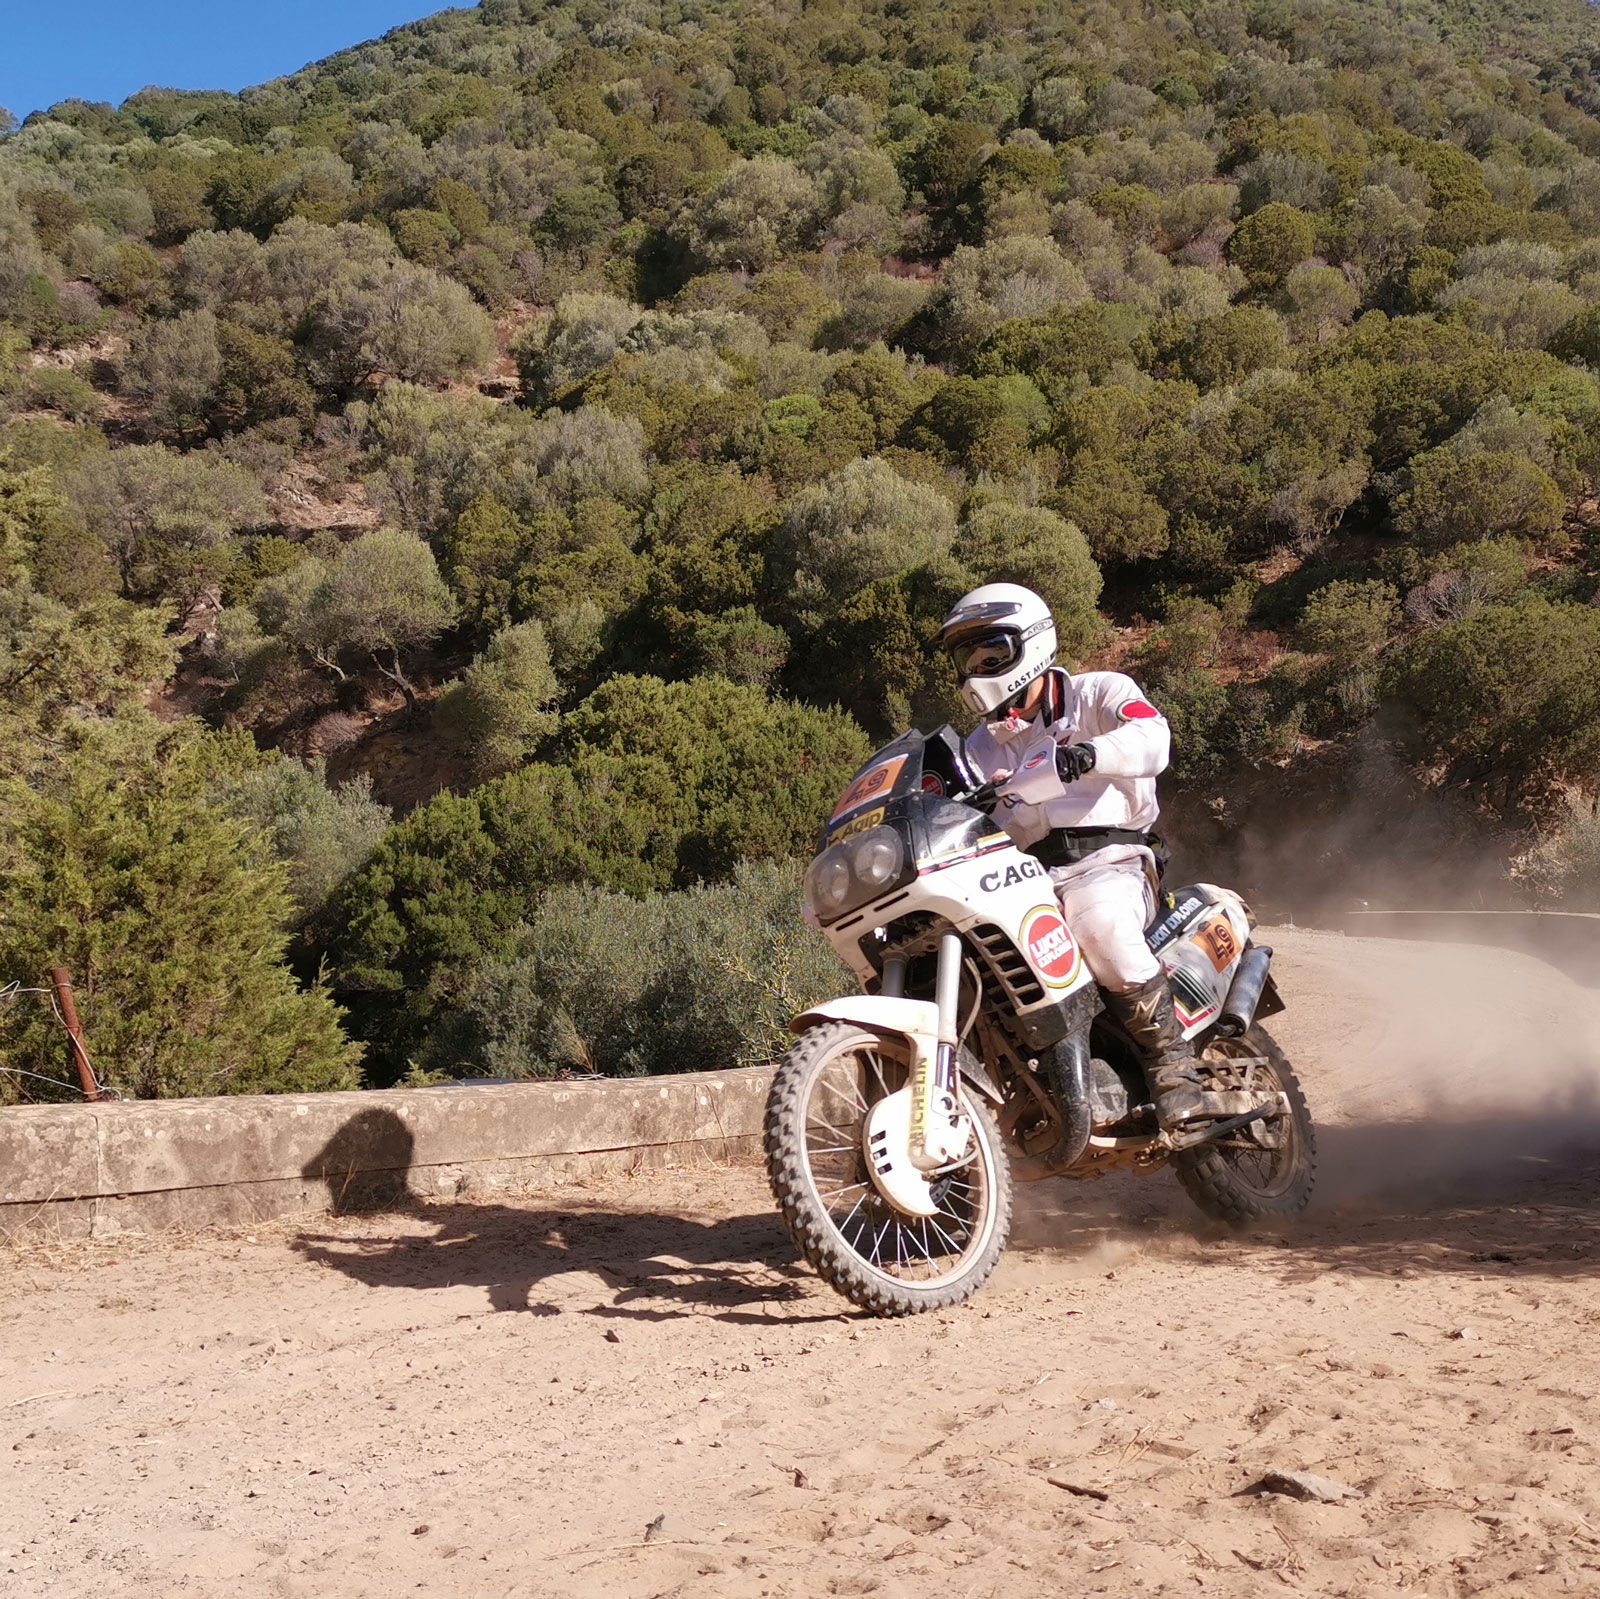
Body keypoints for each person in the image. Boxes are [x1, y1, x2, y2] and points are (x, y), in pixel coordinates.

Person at [935, 581, 1219, 1130]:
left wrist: (1088, 755)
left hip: (1109, 859)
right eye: (966, 658)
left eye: (989, 654)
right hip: (1027, 875)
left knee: (1098, 928)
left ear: (1030, 645)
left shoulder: (1099, 692)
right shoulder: (979, 745)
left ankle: (1173, 1068)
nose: (976, 670)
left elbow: (1153, 737)